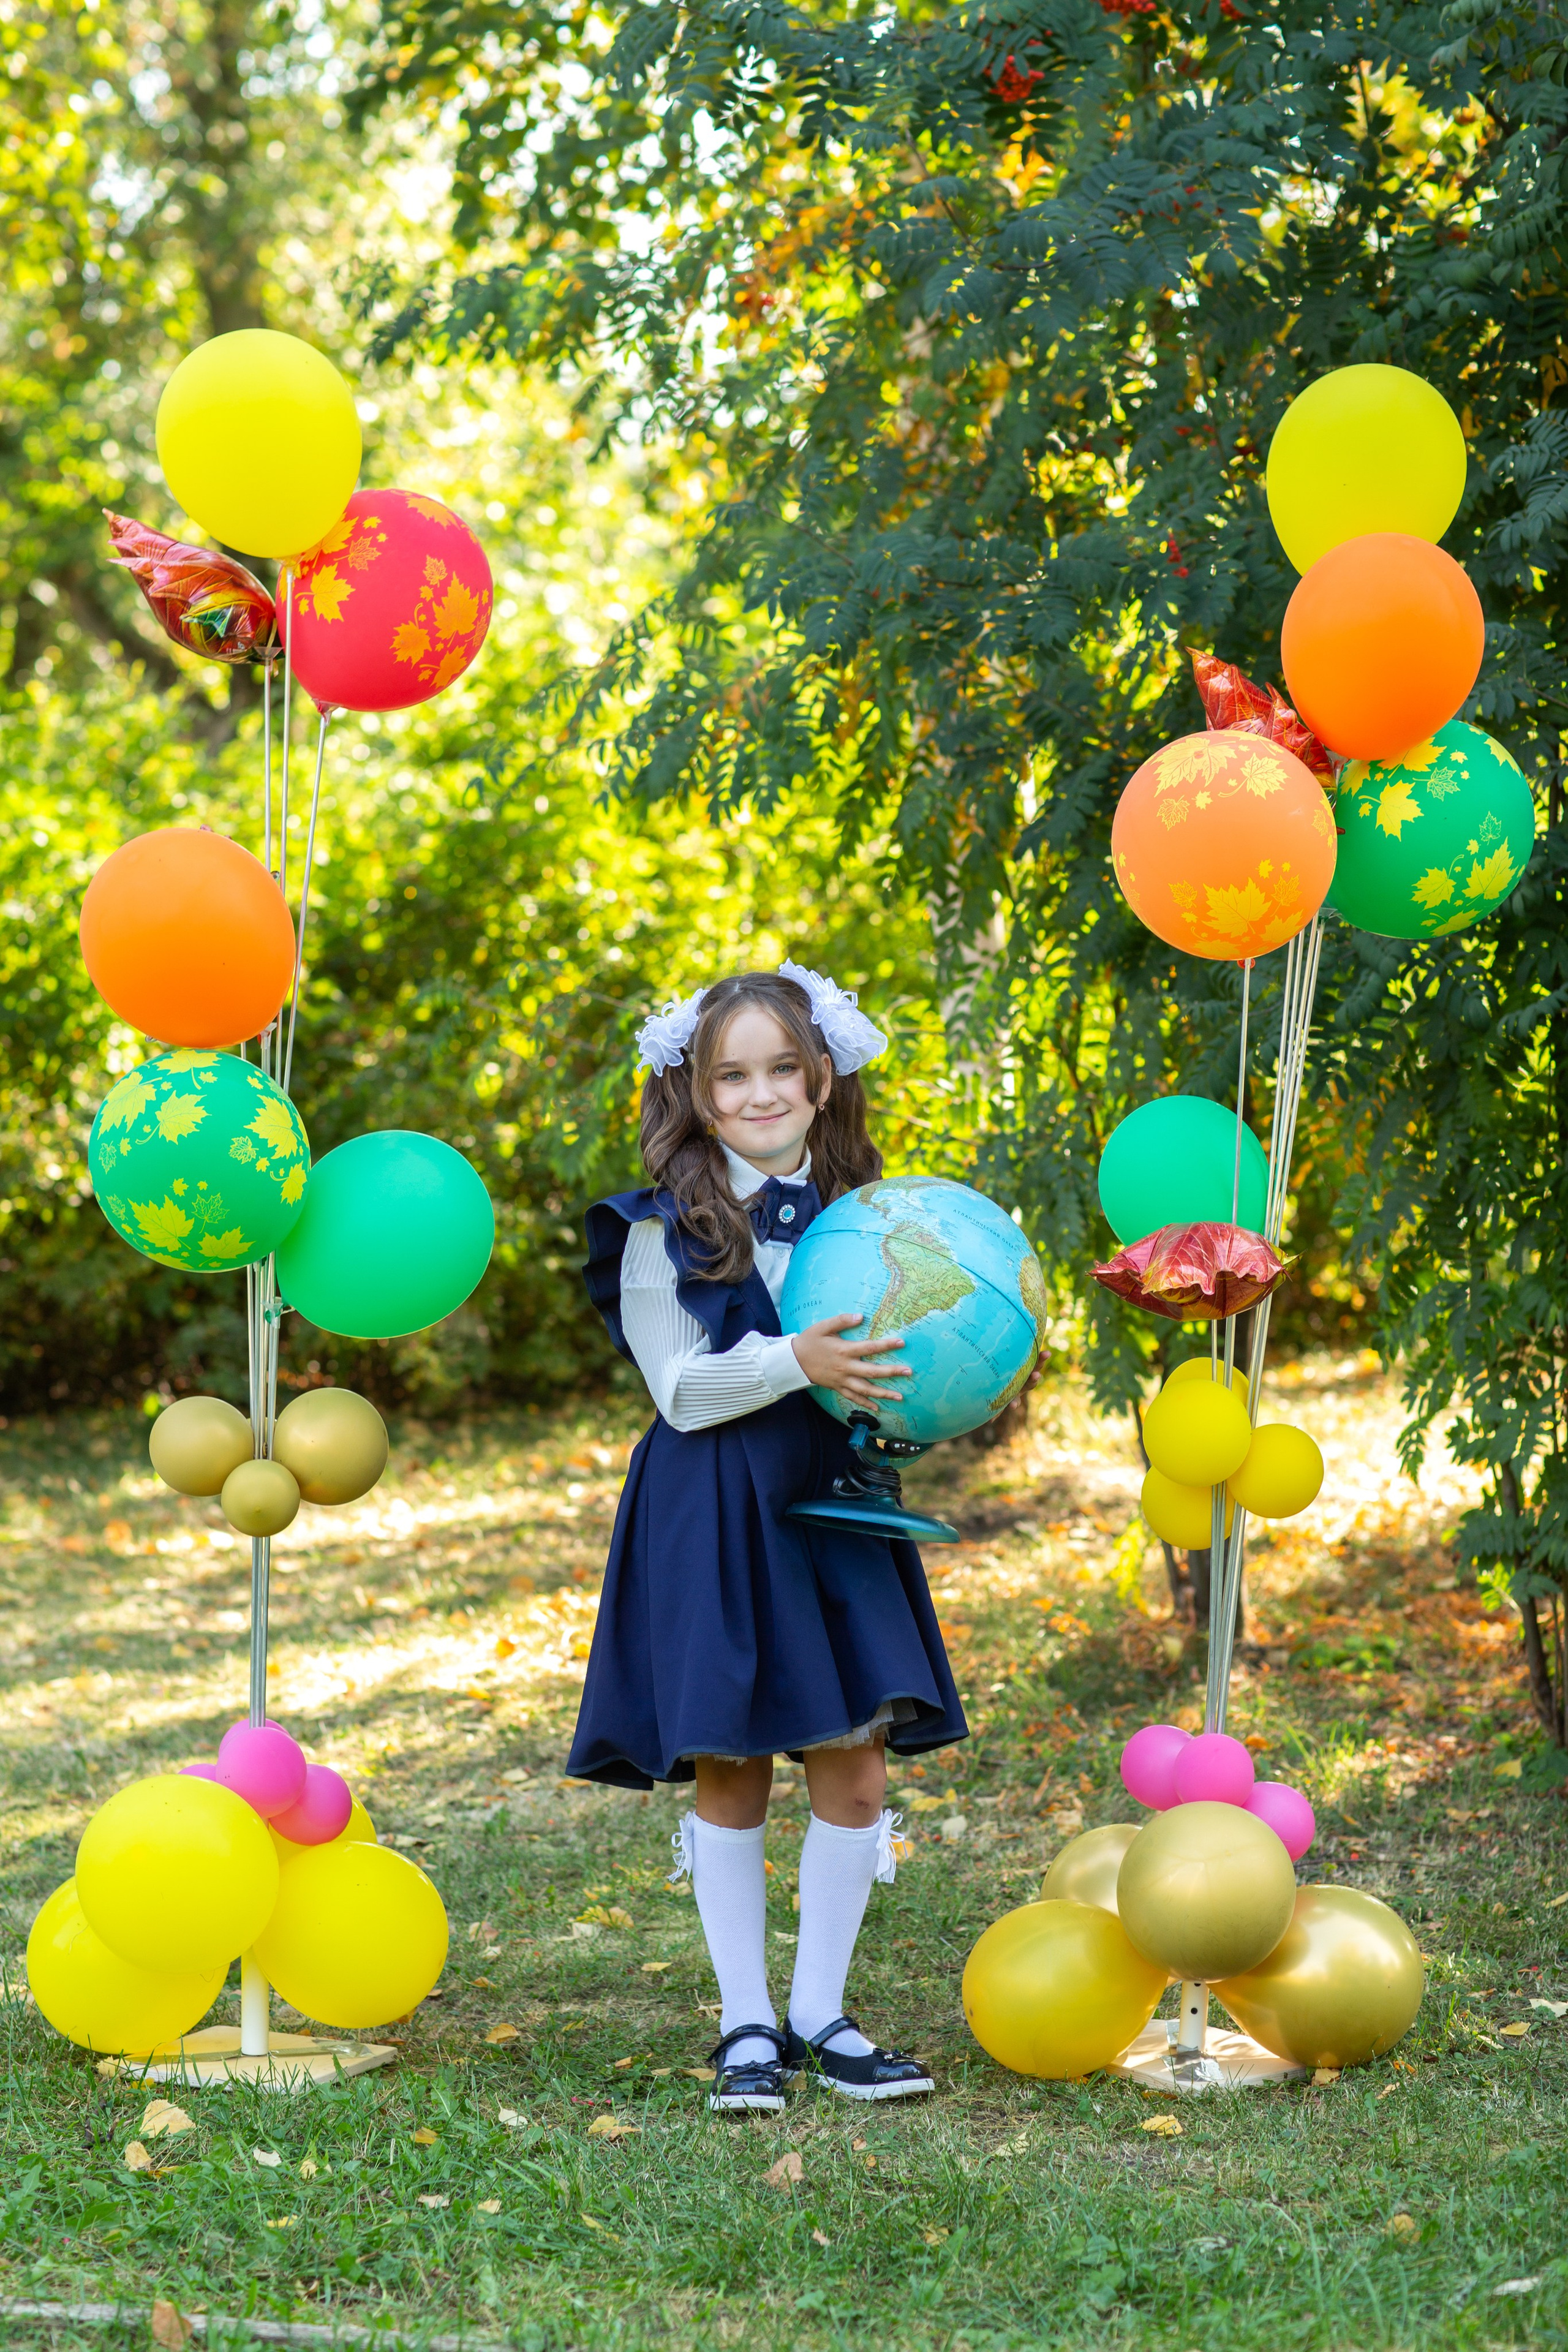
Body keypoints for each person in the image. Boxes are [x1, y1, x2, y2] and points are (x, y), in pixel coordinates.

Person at [571, 964, 968, 2113]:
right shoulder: (656, 1232)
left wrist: (913, 1399)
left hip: (833, 1500)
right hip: (713, 1505)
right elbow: (682, 1391)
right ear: (695, 1093)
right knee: (734, 1759)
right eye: (730, 1075)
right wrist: (799, 1361)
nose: (758, 1094)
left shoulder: (874, 1219)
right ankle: (747, 2023)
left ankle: (821, 2013)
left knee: (853, 1758)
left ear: (821, 1076)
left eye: (780, 1069)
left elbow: (903, 1358)